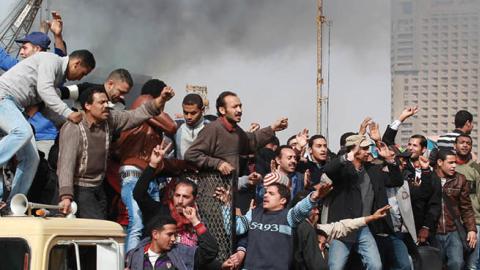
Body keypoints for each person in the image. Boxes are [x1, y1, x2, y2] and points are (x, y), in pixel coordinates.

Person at [57, 85, 175, 219]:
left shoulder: (110, 120)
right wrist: (66, 196)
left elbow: (137, 114)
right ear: (88, 106)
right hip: (79, 188)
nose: (106, 105)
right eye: (101, 102)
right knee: (98, 230)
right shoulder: (74, 127)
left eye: (107, 102)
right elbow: (66, 164)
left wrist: (161, 99)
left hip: (98, 186)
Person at [0, 50, 95, 201]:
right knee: (22, 132)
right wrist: (68, 113)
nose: (80, 78)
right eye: (83, 73)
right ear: (76, 64)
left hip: (13, 105)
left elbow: (46, 107)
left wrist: (68, 123)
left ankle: (13, 203)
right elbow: (44, 90)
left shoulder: (56, 79)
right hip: (3, 97)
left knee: (32, 159)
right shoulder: (51, 60)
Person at [323, 133, 403, 270]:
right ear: (354, 149)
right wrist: (346, 157)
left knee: (375, 265)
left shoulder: (372, 170)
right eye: (364, 148)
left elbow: (396, 181)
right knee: (335, 267)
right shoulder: (342, 169)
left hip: (364, 227)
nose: (368, 152)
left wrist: (389, 159)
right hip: (342, 227)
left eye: (368, 148)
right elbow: (328, 170)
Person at [116, 79, 177, 252]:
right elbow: (171, 126)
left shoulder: (149, 120)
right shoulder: (144, 100)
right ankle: (131, 263)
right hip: (134, 174)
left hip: (148, 176)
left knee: (154, 226)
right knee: (137, 224)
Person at [184, 91, 288, 176]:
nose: (239, 110)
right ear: (222, 110)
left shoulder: (237, 131)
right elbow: (191, 155)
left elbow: (252, 141)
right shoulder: (213, 129)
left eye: (240, 106)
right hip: (211, 193)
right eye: (235, 107)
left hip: (230, 191)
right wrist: (218, 164)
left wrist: (273, 128)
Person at [133, 142, 201, 247]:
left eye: (185, 197)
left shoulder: (197, 217)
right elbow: (139, 194)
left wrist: (195, 221)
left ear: (194, 198)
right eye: (177, 195)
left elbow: (207, 249)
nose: (180, 201)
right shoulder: (160, 211)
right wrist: (152, 165)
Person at [125, 211, 218, 270]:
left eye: (175, 235)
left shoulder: (181, 253)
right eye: (169, 234)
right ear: (155, 234)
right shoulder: (133, 256)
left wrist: (196, 222)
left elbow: (209, 251)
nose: (173, 239)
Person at [434, 150, 477, 270]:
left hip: (453, 230)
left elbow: (466, 207)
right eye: (450, 162)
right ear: (440, 162)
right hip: (433, 232)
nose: (454, 165)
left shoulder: (460, 179)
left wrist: (471, 229)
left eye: (455, 163)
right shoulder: (429, 177)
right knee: (436, 265)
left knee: (457, 263)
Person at [454, 134, 480, 270]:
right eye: (462, 142)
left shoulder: (476, 168)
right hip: (452, 224)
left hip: (475, 223)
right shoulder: (448, 167)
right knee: (455, 263)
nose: (465, 145)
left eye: (468, 143)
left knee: (472, 264)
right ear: (455, 146)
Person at [174, 93, 209, 160]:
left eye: (193, 113)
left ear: (202, 110)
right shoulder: (176, 126)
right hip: (180, 169)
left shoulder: (211, 128)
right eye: (185, 113)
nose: (189, 117)